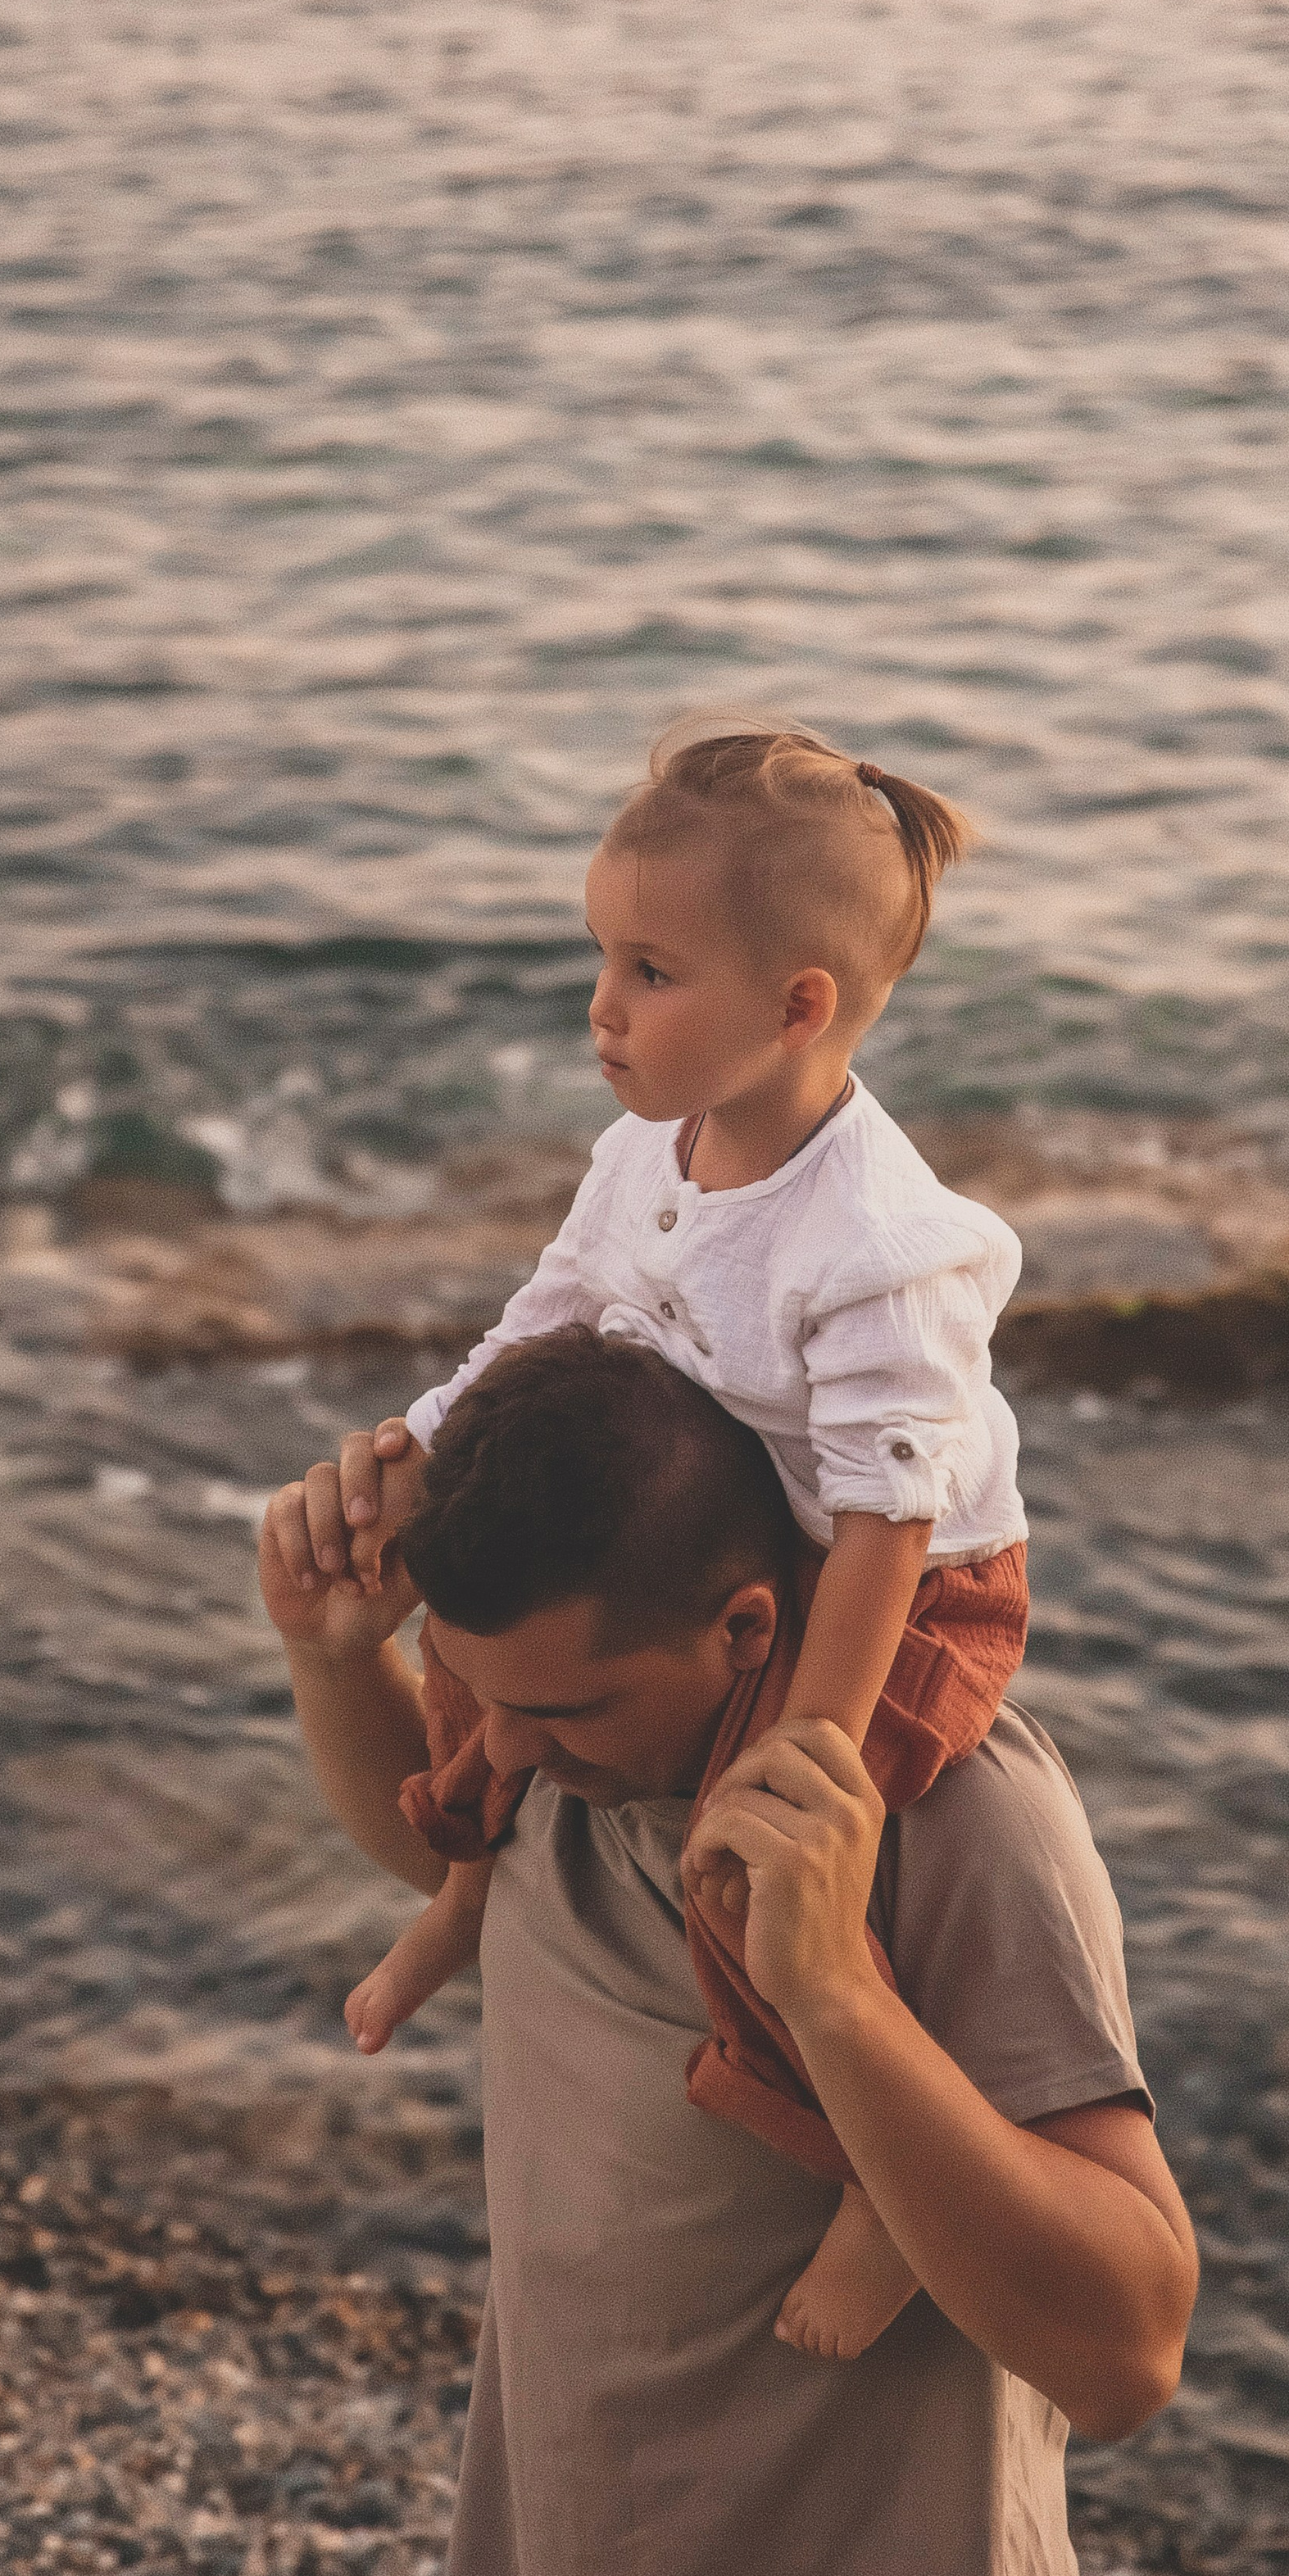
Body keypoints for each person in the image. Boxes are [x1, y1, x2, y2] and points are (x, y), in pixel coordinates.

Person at [258, 1331, 1196, 2576]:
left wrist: (837, 1997)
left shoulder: (951, 1820)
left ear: (746, 1626)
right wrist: (334, 1655)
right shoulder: (567, 1749)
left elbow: (1129, 2357)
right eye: (473, 1689)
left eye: (561, 1713)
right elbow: (463, 1864)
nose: (505, 1754)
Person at [329, 714, 1032, 2361]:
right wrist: (421, 1454)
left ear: (797, 1008)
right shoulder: (650, 1147)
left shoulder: (875, 1242)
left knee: (761, 1866)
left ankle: (872, 2176)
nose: (601, 1007)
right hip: (743, 1536)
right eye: (600, 957)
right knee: (482, 1644)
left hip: (904, 1590)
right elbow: (546, 1316)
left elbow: (887, 1515)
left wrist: (811, 1747)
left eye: (649, 973)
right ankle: (466, 1892)